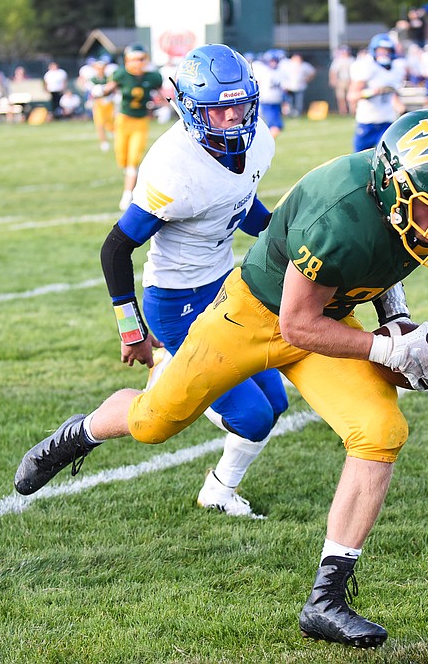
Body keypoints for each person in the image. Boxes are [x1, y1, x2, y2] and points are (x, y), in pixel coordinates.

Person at [14, 107, 428, 648]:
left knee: (380, 432)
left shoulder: (406, 205)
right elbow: (296, 324)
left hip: (325, 317)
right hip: (255, 315)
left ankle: (326, 599)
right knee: (153, 423)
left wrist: (395, 319)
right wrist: (392, 350)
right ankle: (78, 434)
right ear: (392, 186)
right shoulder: (340, 217)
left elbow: (381, 268)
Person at [95, 44, 288, 518]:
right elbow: (116, 248)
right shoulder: (172, 167)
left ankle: (219, 488)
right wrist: (131, 328)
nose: (231, 119)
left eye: (238, 106)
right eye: (217, 110)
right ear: (188, 109)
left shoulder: (259, 138)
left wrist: (287, 236)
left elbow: (239, 205)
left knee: (276, 400)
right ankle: (170, 374)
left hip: (226, 288)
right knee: (252, 416)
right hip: (176, 302)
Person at [105, 44, 165, 210]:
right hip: (123, 121)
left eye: (141, 59)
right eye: (135, 59)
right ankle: (130, 179)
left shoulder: (152, 77)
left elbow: (163, 94)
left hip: (141, 121)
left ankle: (128, 194)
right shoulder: (121, 75)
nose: (138, 63)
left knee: (133, 161)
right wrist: (101, 91)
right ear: (127, 60)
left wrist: (168, 105)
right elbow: (108, 88)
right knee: (122, 159)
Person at [348, 34, 406, 152]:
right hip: (367, 122)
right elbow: (351, 96)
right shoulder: (367, 67)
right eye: (381, 50)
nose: (384, 53)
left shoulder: (396, 70)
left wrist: (402, 110)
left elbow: (393, 96)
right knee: (360, 162)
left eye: (387, 50)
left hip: (387, 122)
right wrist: (372, 92)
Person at [252, 50, 286, 137]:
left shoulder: (280, 72)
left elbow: (283, 88)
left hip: (276, 101)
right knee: (275, 125)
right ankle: (267, 142)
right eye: (271, 61)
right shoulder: (263, 71)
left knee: (277, 125)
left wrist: (285, 102)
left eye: (275, 61)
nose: (273, 63)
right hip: (266, 101)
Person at [85, 58, 115, 150]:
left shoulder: (109, 78)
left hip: (109, 103)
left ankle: (115, 137)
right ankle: (103, 142)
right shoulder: (93, 79)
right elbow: (92, 92)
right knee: (99, 123)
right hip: (98, 103)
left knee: (111, 122)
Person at [281, 53, 316, 118]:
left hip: (300, 87)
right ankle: (290, 115)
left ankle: (298, 114)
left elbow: (312, 72)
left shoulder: (304, 66)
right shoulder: (287, 65)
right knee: (289, 103)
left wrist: (308, 79)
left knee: (299, 103)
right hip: (289, 87)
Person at [328, 46, 353, 116]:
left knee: (351, 97)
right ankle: (343, 112)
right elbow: (333, 71)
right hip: (341, 80)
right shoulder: (337, 61)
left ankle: (352, 111)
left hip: (350, 80)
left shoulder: (352, 60)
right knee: (341, 97)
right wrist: (333, 80)